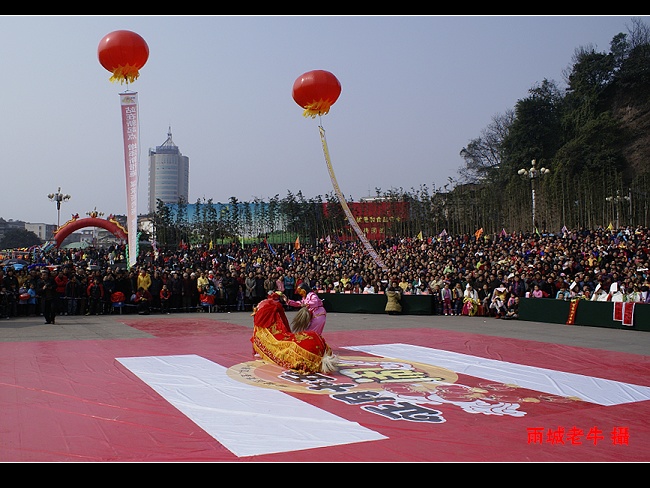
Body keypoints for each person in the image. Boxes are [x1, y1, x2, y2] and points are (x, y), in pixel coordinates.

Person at [250, 291, 337, 374]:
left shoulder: (311, 295)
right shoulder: (305, 297)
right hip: (315, 316)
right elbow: (299, 303)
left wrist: (305, 304)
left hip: (317, 316)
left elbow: (313, 302)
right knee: (311, 334)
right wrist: (288, 301)